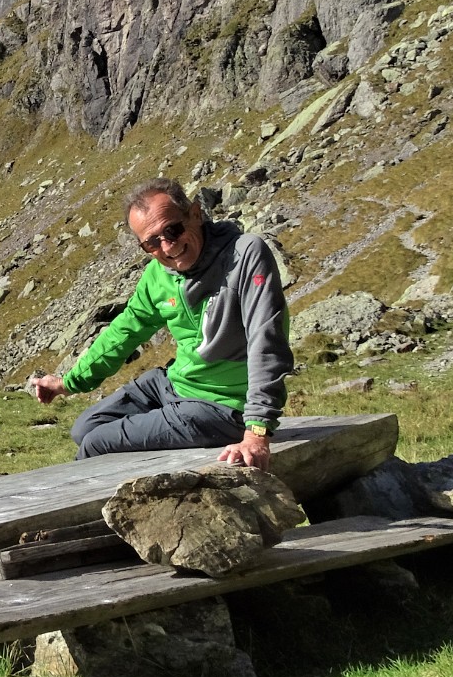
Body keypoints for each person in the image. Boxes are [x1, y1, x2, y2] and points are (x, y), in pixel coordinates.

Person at [29, 177, 292, 470]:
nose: (168, 247)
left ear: (195, 214)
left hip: (222, 405)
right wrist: (69, 382)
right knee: (84, 428)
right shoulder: (158, 275)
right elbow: (127, 329)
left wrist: (256, 432)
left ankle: (81, 510)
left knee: (96, 443)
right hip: (175, 383)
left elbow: (266, 339)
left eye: (172, 230)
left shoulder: (245, 255)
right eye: (152, 242)